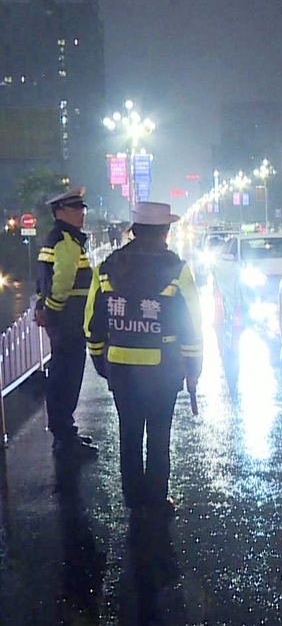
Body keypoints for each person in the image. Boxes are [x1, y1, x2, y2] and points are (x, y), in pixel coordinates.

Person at [84, 202, 203, 516]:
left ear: (133, 231)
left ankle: (134, 498)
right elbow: (191, 323)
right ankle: (157, 499)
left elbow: (92, 322)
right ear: (165, 232)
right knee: (159, 433)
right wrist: (193, 367)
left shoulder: (108, 266)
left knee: (130, 432)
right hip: (163, 369)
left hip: (121, 368)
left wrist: (100, 359)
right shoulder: (177, 269)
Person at [35, 186, 98, 457]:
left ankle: (64, 432)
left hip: (66, 322)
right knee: (66, 378)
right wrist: (53, 310)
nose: (81, 214)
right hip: (69, 322)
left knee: (62, 375)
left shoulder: (60, 238)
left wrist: (46, 309)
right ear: (60, 212)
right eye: (75, 209)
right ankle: (64, 438)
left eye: (82, 209)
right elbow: (60, 282)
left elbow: (44, 281)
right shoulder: (66, 242)